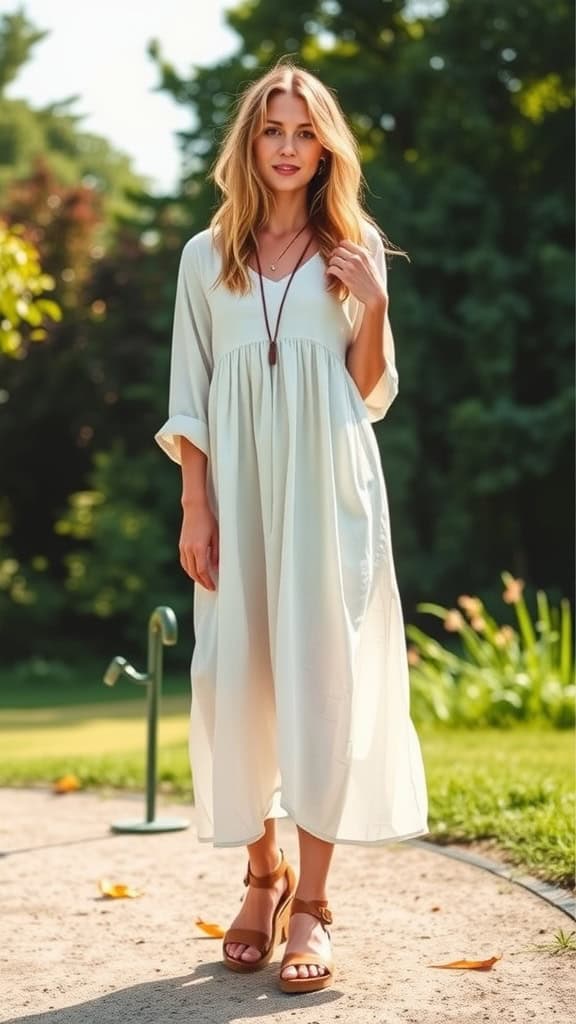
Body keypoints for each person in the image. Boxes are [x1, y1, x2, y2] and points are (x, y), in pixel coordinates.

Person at [155, 58, 429, 995]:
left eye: (304, 132)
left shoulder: (352, 243)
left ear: (325, 148)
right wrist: (197, 503)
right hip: (237, 493)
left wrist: (375, 300)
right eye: (272, 130)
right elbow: (189, 393)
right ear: (250, 142)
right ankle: (259, 876)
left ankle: (311, 902)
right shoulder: (205, 254)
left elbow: (364, 393)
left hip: (330, 490)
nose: (286, 147)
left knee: (320, 680)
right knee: (235, 678)